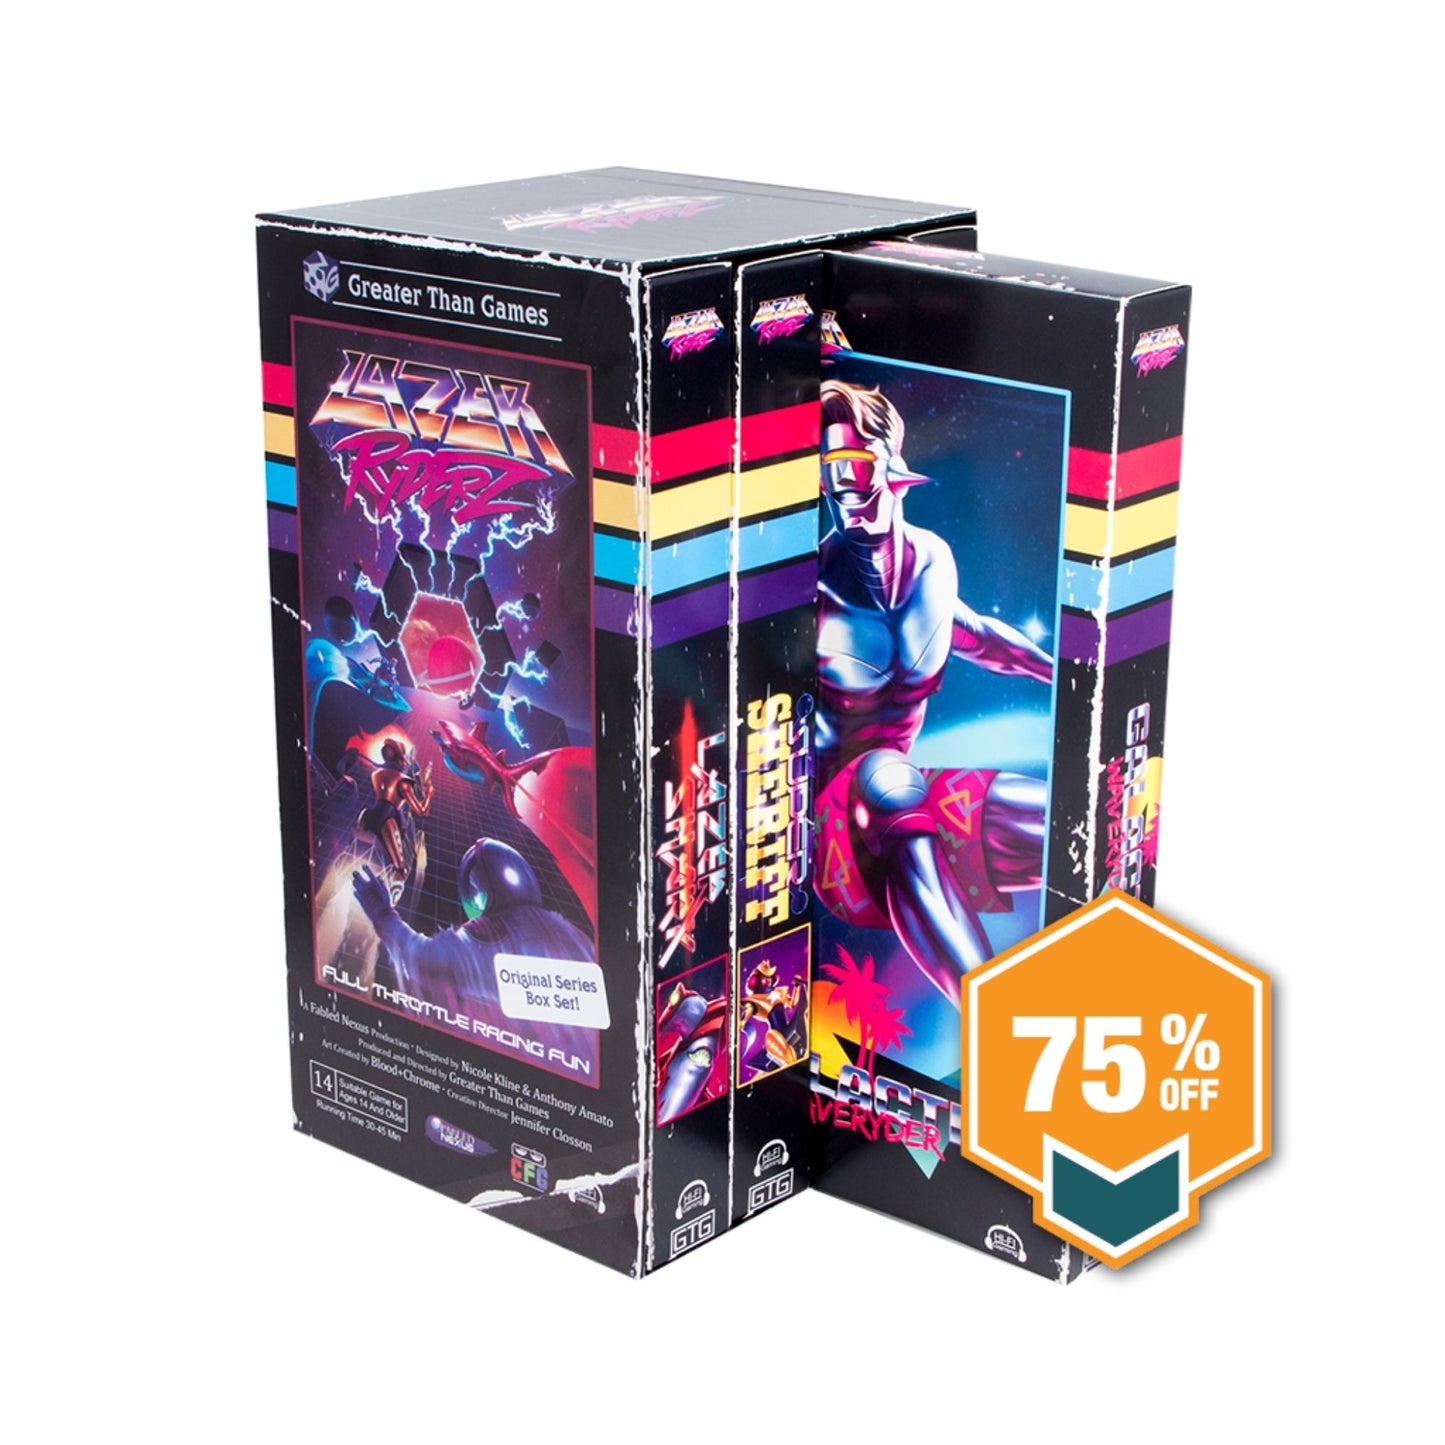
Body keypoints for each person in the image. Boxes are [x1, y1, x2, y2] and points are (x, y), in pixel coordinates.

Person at [815, 379, 1053, 1007]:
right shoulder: (810, 585)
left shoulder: (933, 562)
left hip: (903, 815)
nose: (842, 492)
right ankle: (996, 1025)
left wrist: (1070, 678)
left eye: (853, 466)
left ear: (892, 465)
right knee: (887, 777)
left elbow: (980, 636)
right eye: (827, 472)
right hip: (824, 839)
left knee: (1044, 818)